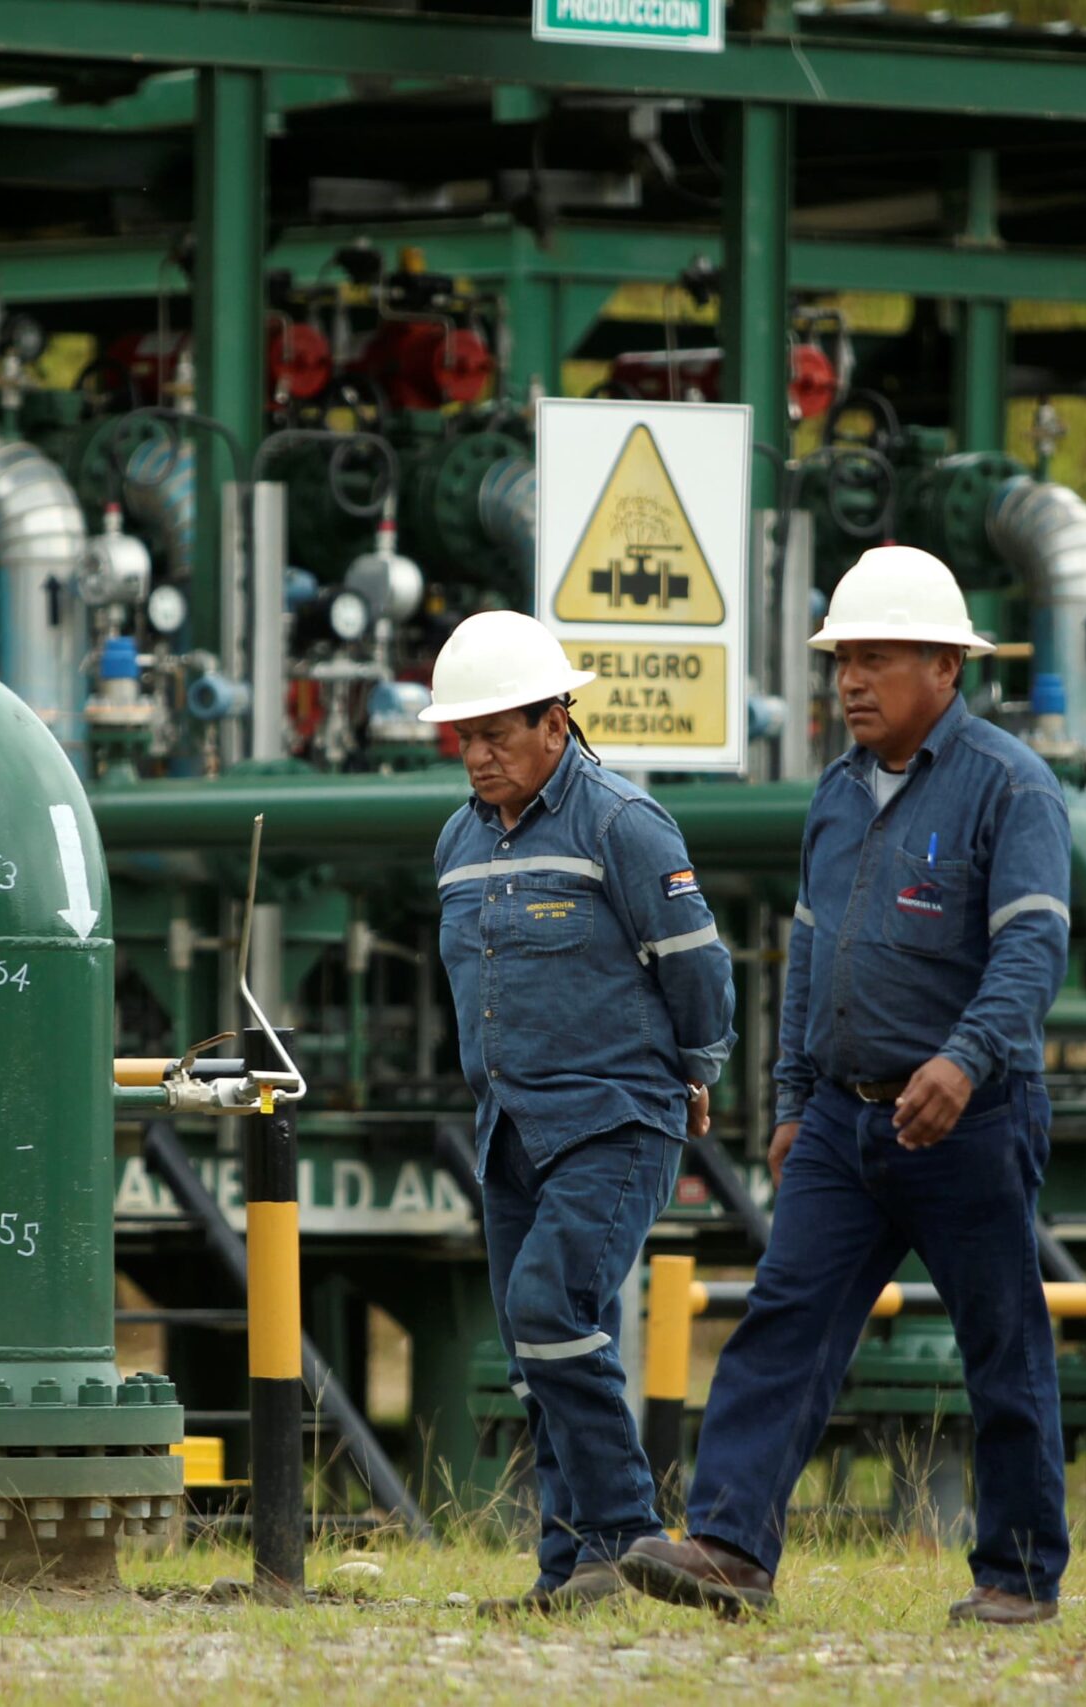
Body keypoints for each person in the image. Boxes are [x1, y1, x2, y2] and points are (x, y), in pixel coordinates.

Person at [621, 546, 1073, 1627]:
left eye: (876, 659)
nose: (852, 683)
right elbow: (810, 956)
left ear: (946, 670)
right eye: (842, 662)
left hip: (966, 1121)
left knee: (1000, 1340)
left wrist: (961, 1064)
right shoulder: (833, 796)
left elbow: (1032, 954)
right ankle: (731, 1547)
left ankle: (1016, 1577)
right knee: (784, 1319)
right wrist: (787, 1103)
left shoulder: (1011, 788)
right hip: (840, 1119)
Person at [421, 609, 737, 1613]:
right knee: (543, 1353)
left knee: (547, 1313)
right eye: (462, 737)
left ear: (556, 723)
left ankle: (630, 1533)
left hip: (613, 1115)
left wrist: (697, 1068)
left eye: (496, 734)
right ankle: (576, 1574)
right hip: (508, 1127)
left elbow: (698, 969)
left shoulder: (620, 824)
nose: (476, 755)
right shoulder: (455, 844)